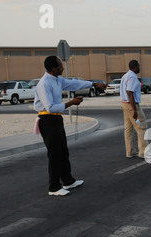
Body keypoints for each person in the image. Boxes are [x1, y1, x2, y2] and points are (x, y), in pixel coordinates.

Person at [34, 56, 107, 196]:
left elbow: (74, 84)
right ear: (53, 68)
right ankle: (54, 187)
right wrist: (71, 103)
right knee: (54, 154)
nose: (63, 68)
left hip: (56, 119)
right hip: (47, 120)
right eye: (60, 65)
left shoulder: (57, 80)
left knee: (63, 151)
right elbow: (50, 107)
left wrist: (94, 84)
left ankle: (67, 180)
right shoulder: (44, 84)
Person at [120, 60, 149, 158]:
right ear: (135, 67)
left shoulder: (125, 76)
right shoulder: (132, 77)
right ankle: (144, 152)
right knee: (142, 127)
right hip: (131, 104)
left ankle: (130, 151)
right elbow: (130, 92)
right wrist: (135, 110)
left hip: (124, 103)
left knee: (128, 129)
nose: (139, 68)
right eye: (139, 66)